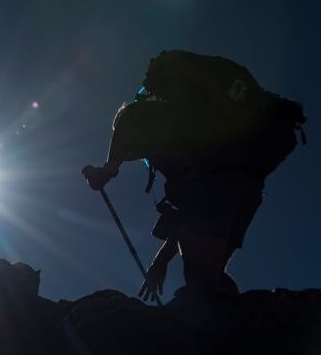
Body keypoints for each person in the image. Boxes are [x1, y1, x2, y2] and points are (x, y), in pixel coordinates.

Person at [82, 50, 305, 300]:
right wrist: (161, 262)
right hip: (245, 190)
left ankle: (222, 333)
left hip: (218, 189)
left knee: (201, 287)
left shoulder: (136, 119)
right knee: (211, 277)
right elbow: (189, 216)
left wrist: (105, 172)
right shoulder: (189, 137)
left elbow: (122, 135)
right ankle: (240, 329)